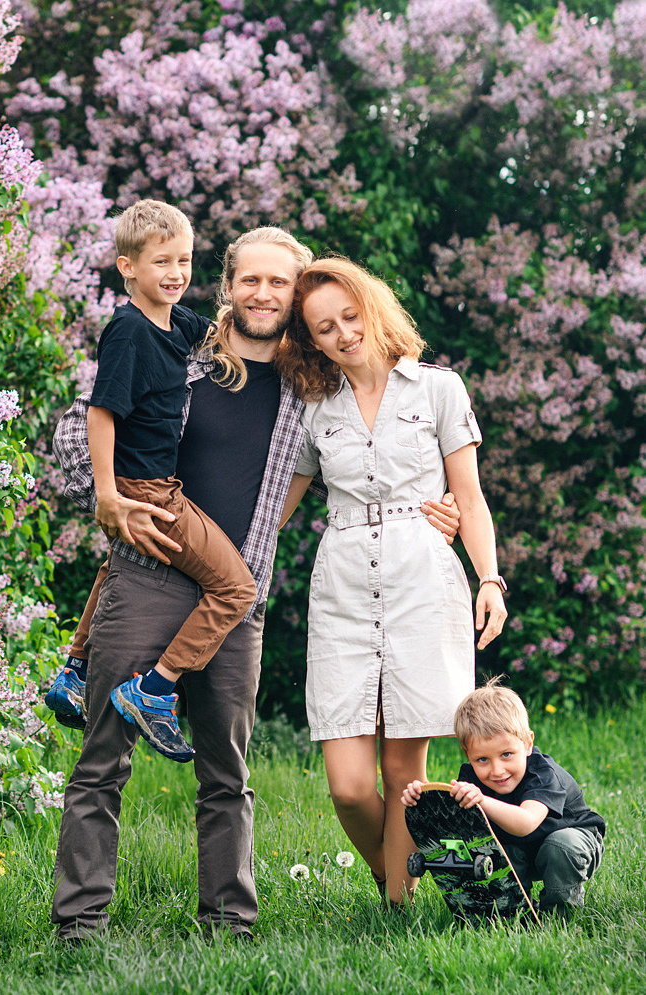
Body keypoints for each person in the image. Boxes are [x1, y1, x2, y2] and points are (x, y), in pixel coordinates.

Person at [50, 230, 462, 942]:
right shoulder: (180, 356)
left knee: (226, 774)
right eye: (251, 280)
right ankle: (79, 925)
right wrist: (108, 494)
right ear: (229, 285)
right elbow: (92, 423)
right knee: (102, 758)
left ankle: (229, 923)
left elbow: (380, 448)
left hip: (236, 595)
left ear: (295, 296)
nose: (263, 294)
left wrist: (437, 505)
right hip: (146, 574)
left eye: (280, 283)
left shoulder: (316, 389)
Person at [277, 254, 508, 907]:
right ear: (311, 339)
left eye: (350, 316)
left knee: (405, 769)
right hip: (343, 582)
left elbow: (470, 497)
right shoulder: (312, 406)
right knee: (349, 783)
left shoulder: (439, 388)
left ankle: (397, 909)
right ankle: (398, 869)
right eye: (324, 327)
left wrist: (490, 579)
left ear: (373, 308)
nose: (343, 333)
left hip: (421, 577)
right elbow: (277, 507)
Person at [44, 199, 257, 762]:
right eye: (161, 262)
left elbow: (219, 331)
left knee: (114, 565)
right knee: (237, 588)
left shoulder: (174, 320)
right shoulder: (129, 332)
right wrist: (109, 494)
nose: (176, 274)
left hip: (157, 482)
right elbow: (100, 412)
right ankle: (155, 690)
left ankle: (75, 671)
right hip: (146, 489)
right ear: (127, 267)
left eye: (184, 261)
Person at [402, 677, 605, 916]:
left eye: (507, 754)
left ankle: (559, 915)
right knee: (494, 850)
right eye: (482, 760)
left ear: (528, 743)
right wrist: (423, 799)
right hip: (517, 849)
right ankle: (516, 913)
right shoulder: (471, 777)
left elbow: (525, 823)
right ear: (468, 755)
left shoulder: (544, 775)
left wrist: (481, 800)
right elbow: (459, 829)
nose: (497, 770)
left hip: (572, 846)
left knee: (559, 846)